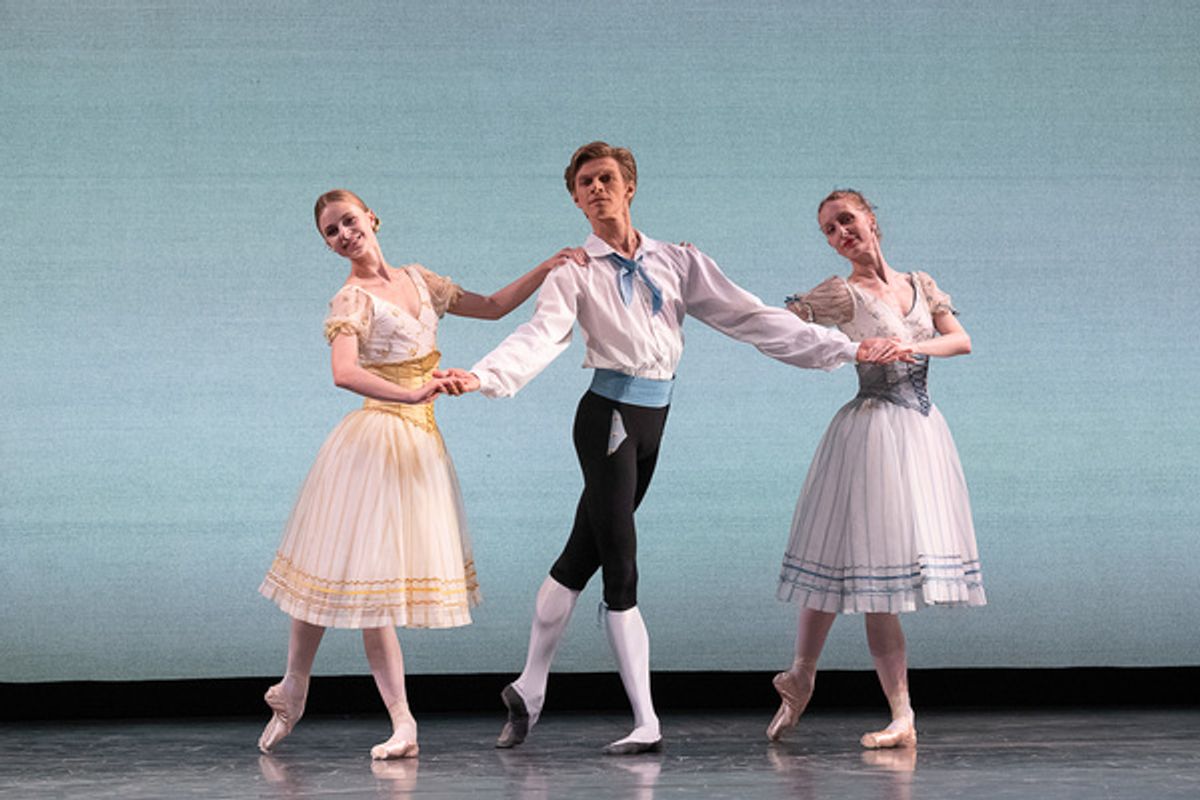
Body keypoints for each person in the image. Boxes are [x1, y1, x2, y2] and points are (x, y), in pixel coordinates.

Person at [446, 143, 906, 755]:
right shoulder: (573, 271)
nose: (596, 189)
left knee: (580, 555)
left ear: (629, 186)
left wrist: (845, 348)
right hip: (607, 419)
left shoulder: (677, 260)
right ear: (576, 199)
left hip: (652, 420)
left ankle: (529, 688)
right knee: (621, 566)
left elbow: (751, 317)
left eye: (606, 178)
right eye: (585, 183)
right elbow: (540, 336)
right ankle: (646, 720)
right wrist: (482, 375)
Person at [256, 189, 583, 759]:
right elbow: (343, 372)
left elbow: (493, 306)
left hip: (418, 444)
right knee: (350, 578)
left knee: (357, 581)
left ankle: (299, 689)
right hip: (375, 441)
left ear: (371, 217)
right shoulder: (351, 299)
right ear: (329, 245)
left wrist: (548, 266)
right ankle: (381, 715)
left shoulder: (420, 280)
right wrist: (409, 393)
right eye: (331, 231)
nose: (344, 234)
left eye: (349, 221)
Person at [768, 189, 986, 749]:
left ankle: (885, 709)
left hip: (919, 433)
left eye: (846, 220)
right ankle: (812, 679)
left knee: (872, 572)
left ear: (870, 219)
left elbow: (960, 341)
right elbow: (784, 327)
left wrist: (909, 348)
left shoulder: (919, 283)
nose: (841, 232)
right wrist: (847, 349)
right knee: (849, 563)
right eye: (829, 229)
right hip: (870, 433)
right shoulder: (843, 293)